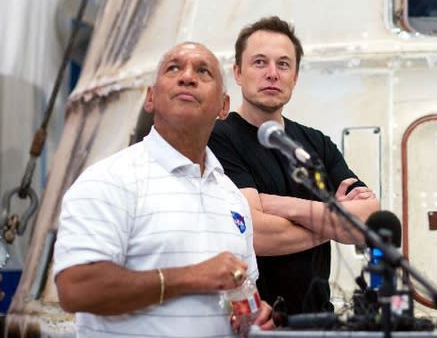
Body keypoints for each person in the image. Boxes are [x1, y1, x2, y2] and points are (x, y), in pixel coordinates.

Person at [53, 42, 273, 337]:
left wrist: (253, 312)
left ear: (223, 107)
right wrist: (193, 277)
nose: (187, 77)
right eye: (174, 68)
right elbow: (76, 289)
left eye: (203, 71)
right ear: (151, 98)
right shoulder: (108, 180)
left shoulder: (230, 195)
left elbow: (242, 289)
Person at [208, 16, 380, 315]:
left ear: (296, 76)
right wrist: (334, 223)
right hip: (255, 323)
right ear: (237, 72)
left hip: (319, 319)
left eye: (284, 64)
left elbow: (368, 223)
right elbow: (255, 235)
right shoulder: (219, 138)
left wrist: (278, 205)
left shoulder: (317, 143)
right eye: (260, 62)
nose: (272, 74)